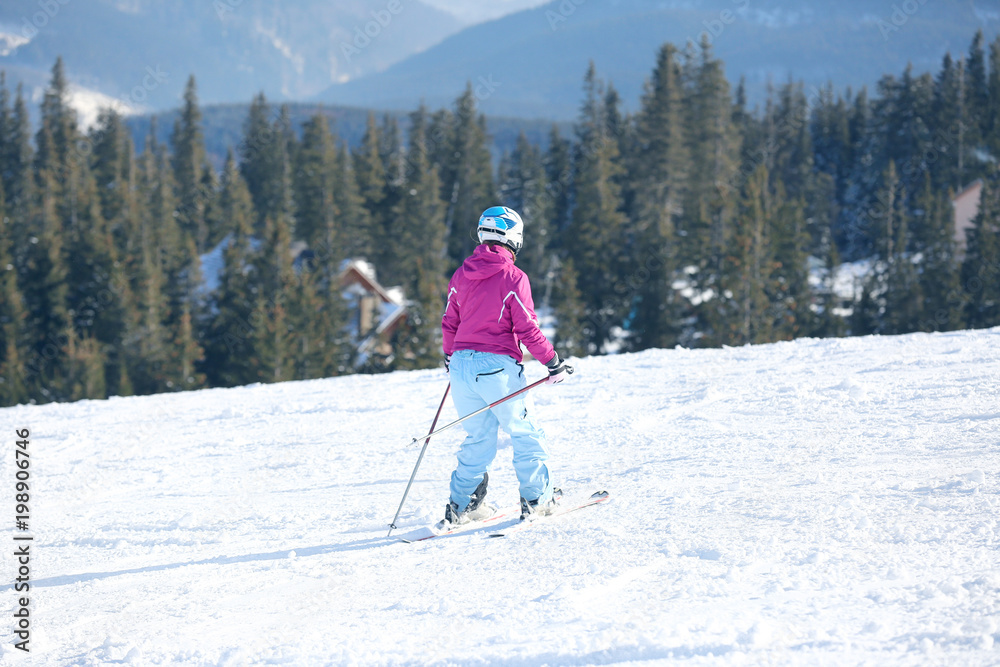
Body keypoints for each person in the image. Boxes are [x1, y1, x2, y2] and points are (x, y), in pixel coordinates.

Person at [440, 205, 573, 525]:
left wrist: (450, 358)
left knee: (479, 438)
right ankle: (537, 499)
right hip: (495, 368)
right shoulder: (512, 276)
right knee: (525, 432)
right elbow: (527, 326)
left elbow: (450, 321)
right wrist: (552, 361)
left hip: (460, 366)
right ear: (514, 237)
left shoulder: (461, 273)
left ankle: (462, 505)